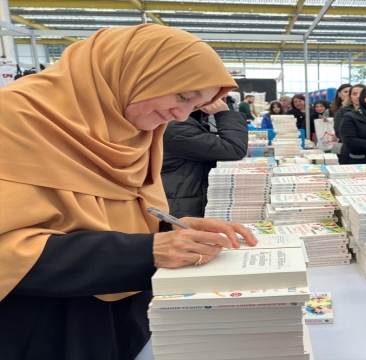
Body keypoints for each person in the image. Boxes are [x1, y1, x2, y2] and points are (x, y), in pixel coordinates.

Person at [0, 24, 257, 359]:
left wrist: (174, 228)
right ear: (133, 73)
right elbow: (11, 250)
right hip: (42, 329)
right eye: (182, 96)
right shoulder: (15, 121)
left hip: (124, 325)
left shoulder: (133, 130)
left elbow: (115, 213)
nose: (180, 115)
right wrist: (145, 251)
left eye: (197, 106)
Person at [162, 101, 248, 219]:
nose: (221, 101)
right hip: (181, 206)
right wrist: (224, 113)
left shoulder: (183, 122)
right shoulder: (176, 126)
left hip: (185, 197)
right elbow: (234, 149)